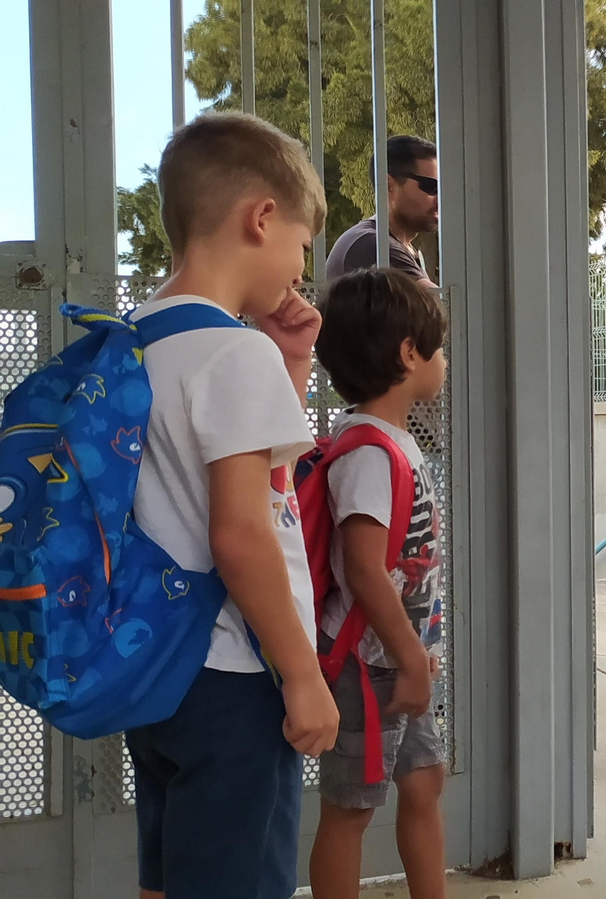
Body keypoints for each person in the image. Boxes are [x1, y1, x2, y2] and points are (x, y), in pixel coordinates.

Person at [121, 112, 339, 899]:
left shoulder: (135, 339)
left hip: (158, 669)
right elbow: (244, 532)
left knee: (169, 873)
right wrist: (303, 674)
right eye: (302, 247)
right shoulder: (231, 350)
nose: (297, 269)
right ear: (261, 218)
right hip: (237, 673)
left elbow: (226, 480)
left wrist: (291, 360)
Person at [307, 269, 451, 899]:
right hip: (370, 667)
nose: (443, 360)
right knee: (350, 810)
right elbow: (365, 570)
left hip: (402, 658)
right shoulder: (367, 452)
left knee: (424, 783)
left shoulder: (394, 443)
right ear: (408, 353)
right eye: (437, 346)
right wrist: (410, 658)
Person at [326, 134, 439, 285]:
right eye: (431, 186)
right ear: (388, 185)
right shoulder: (373, 245)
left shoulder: (402, 247)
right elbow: (446, 306)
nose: (441, 198)